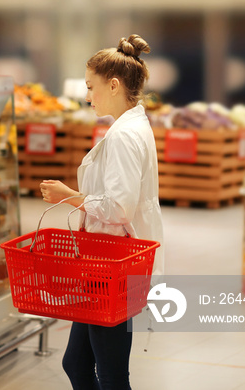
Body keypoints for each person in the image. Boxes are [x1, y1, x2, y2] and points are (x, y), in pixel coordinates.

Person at [40, 34, 164, 390]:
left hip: (111, 265)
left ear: (113, 84)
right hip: (106, 261)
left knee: (108, 374)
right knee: (76, 363)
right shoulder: (132, 125)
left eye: (90, 86)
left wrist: (70, 196)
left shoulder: (124, 136)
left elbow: (118, 207)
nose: (87, 95)